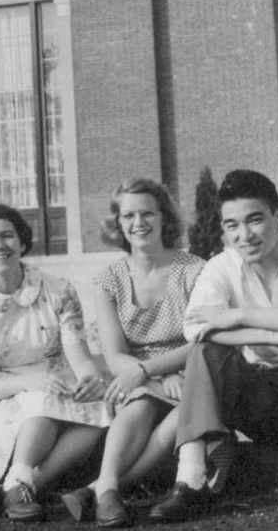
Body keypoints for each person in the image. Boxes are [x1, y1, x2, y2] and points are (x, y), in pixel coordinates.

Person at [148, 169, 278, 525]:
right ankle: (190, 480)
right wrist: (274, 335)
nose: (243, 235)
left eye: (255, 220)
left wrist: (238, 316)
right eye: (232, 225)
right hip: (259, 405)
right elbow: (196, 328)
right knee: (205, 350)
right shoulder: (221, 266)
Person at [59, 180, 204, 526]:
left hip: (188, 373)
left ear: (163, 217)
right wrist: (154, 373)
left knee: (185, 411)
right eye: (128, 215)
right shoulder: (109, 279)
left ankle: (100, 488)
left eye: (147, 213)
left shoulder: (195, 270)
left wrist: (161, 370)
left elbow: (202, 341)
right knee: (139, 401)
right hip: (138, 377)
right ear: (118, 223)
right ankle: (108, 487)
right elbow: (113, 355)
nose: (138, 223)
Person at [0, 204, 108, 523]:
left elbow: (79, 356)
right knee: (40, 399)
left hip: (56, 379)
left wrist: (91, 378)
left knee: (101, 409)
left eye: (7, 235)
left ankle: (20, 485)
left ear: (22, 242)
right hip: (1, 394)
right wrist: (31, 383)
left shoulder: (59, 290)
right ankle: (22, 479)